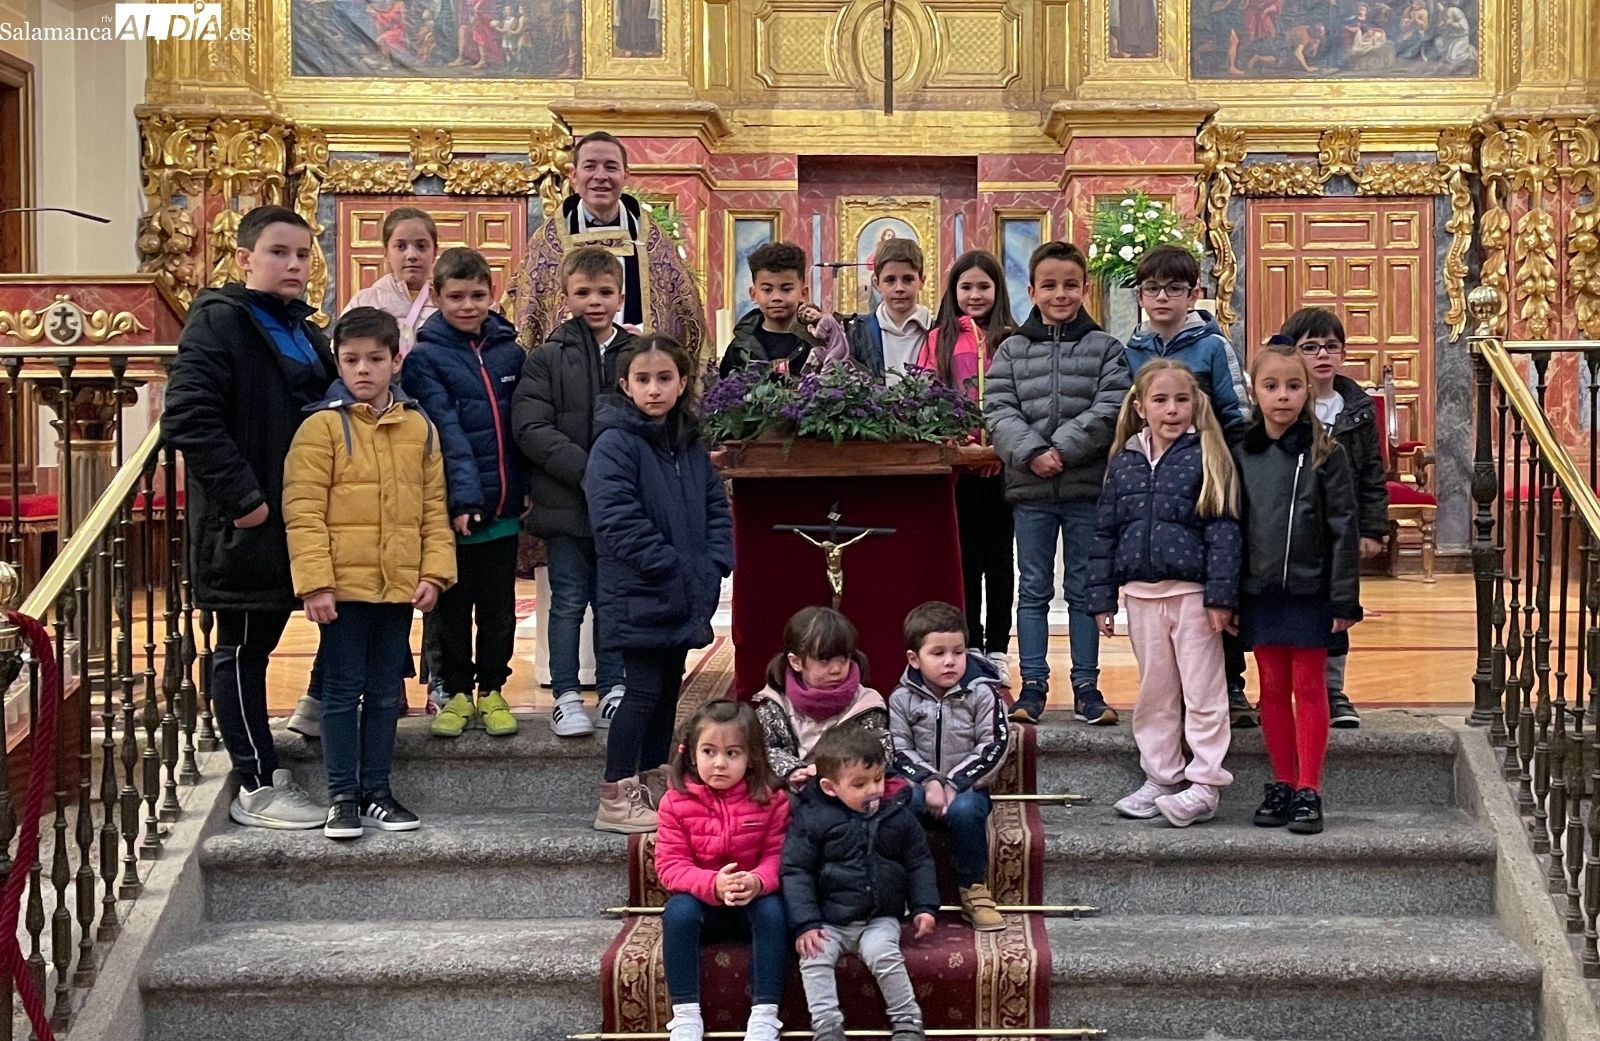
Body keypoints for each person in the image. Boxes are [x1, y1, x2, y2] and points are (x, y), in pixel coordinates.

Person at [165, 204, 335, 830]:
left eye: (302, 255)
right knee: (241, 650)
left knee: (319, 629)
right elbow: (189, 417)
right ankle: (258, 785)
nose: (294, 265)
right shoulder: (221, 321)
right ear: (244, 258)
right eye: (278, 253)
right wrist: (247, 502)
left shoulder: (306, 329)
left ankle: (307, 721)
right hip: (247, 523)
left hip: (304, 518)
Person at [281, 307, 457, 839]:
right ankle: (342, 798)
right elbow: (303, 510)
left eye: (376, 359)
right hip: (341, 589)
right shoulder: (320, 428)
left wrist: (434, 573)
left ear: (396, 361)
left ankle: (377, 792)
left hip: (397, 586)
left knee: (384, 693)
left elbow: (434, 508)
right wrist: (315, 583)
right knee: (340, 693)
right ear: (338, 362)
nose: (363, 369)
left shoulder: (418, 427)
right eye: (352, 359)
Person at [288, 205, 443, 740]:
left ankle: (424, 687)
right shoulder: (366, 304)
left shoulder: (446, 301)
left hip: (411, 433)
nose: (411, 255)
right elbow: (306, 510)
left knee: (402, 585)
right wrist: (315, 580)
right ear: (385, 251)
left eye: (421, 245)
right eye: (401, 245)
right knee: (348, 647)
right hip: (359, 443)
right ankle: (329, 702)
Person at [1087, 360, 1242, 828]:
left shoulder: (1206, 455)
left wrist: (1221, 597)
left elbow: (1223, 531)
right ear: (1140, 407)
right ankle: (1161, 777)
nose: (1172, 409)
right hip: (1140, 596)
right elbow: (1105, 533)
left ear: (1195, 404)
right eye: (1160, 400)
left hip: (1193, 596)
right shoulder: (1124, 461)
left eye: (1181, 400)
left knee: (1203, 691)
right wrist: (1102, 598)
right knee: (1155, 693)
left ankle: (1206, 784)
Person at [588, 336, 733, 833]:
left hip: (684, 587)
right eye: (643, 379)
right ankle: (615, 794)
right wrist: (670, 564)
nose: (654, 389)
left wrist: (714, 561)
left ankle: (652, 782)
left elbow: (715, 506)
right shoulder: (615, 443)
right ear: (625, 385)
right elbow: (615, 517)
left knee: (669, 690)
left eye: (665, 378)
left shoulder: (687, 443)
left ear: (683, 382)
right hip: (640, 588)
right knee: (642, 690)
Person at [985, 241, 1131, 726]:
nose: (1060, 294)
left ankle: (1087, 687)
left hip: (1086, 488)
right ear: (1031, 291)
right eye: (1049, 285)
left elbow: (1112, 406)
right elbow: (998, 409)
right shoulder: (1012, 349)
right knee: (1033, 589)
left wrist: (1061, 451)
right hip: (1031, 492)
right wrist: (1032, 452)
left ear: (1085, 287)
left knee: (1085, 588)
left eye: (1070, 284)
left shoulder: (1106, 348)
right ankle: (1032, 686)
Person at [1120, 243, 1254, 729]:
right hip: (1153, 480)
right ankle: (1170, 697)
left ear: (1194, 293)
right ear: (1139, 295)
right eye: (1152, 288)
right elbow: (1125, 414)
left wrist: (1227, 472)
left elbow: (1238, 413)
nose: (1162, 298)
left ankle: (1231, 684)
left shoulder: (1213, 346)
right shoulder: (1131, 350)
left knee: (1215, 582)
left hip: (1207, 479)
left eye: (1174, 288)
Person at [1234, 344, 1362, 836]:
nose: (1282, 396)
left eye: (1293, 386)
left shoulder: (1328, 453)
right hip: (1260, 590)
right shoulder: (1242, 452)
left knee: (1309, 686)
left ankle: (1310, 787)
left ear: (1308, 390)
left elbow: (1343, 528)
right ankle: (1283, 782)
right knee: (1270, 688)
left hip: (1312, 592)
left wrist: (1344, 597)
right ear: (1254, 391)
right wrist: (1230, 595)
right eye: (1271, 386)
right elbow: (1232, 525)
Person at [403, 247, 528, 740]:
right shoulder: (425, 358)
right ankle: (454, 692)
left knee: (498, 611)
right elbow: (445, 432)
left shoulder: (510, 353)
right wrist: (464, 501)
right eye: (455, 297)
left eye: (477, 295)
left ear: (492, 293)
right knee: (452, 611)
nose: (468, 305)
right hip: (454, 511)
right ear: (436, 296)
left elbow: (520, 430)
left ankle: (493, 689)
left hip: (504, 508)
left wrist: (523, 489)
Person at [512, 246, 636, 739]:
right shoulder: (545, 358)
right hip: (566, 503)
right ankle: (565, 695)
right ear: (565, 298)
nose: (594, 302)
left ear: (621, 297)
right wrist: (589, 471)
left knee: (613, 600)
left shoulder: (638, 354)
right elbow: (530, 427)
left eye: (605, 292)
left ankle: (614, 690)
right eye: (583, 292)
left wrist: (620, 477)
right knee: (566, 601)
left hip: (621, 507)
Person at [782, 725, 939, 1041]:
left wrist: (924, 906)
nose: (873, 790)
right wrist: (806, 923)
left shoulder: (896, 814)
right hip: (828, 920)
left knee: (883, 954)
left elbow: (919, 861)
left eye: (878, 779)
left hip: (878, 917)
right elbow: (796, 871)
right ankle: (827, 1027)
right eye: (859, 784)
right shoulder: (812, 818)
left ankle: (908, 1022)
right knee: (814, 958)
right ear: (829, 787)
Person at [654, 700, 790, 1041]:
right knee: (677, 913)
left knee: (774, 912)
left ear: (751, 757)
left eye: (732, 753)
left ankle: (765, 1014)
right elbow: (670, 865)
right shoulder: (674, 802)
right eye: (709, 752)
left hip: (752, 900)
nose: (719, 763)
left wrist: (757, 881)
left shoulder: (772, 799)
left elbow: (779, 856)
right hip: (704, 903)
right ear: (691, 754)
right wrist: (713, 883)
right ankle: (686, 1015)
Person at [1281, 308, 1389, 730]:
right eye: (1310, 347)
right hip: (1290, 529)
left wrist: (1373, 528)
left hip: (1338, 531)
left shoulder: (1356, 409)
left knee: (1337, 610)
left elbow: (1373, 473)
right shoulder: (1283, 402)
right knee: (1286, 610)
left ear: (1343, 353)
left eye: (1331, 346)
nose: (1323, 355)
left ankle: (1332, 689)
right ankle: (1283, 688)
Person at [512, 131, 707, 358]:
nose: (600, 176)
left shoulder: (653, 243)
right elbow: (529, 320)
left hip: (637, 366)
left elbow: (684, 321)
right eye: (590, 166)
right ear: (573, 174)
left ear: (625, 175)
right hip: (569, 367)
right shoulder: (548, 244)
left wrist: (647, 339)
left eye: (611, 167)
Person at [917, 250, 1017, 673]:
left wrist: (998, 449)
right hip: (958, 469)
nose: (975, 295)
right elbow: (925, 396)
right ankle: (970, 644)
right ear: (953, 291)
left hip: (1001, 467)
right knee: (966, 561)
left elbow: (1024, 399)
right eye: (966, 287)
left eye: (983, 286)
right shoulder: (938, 339)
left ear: (998, 290)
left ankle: (999, 647)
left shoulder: (1012, 338)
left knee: (1000, 562)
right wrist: (956, 443)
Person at [889, 600, 1011, 932]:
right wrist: (929, 780)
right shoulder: (901, 698)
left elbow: (994, 745)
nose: (949, 661)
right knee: (898, 804)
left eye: (958, 652)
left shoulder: (983, 693)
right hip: (920, 785)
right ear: (914, 658)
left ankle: (973, 887)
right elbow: (898, 748)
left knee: (966, 812)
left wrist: (955, 783)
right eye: (938, 653)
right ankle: (902, 885)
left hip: (969, 786)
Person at [753, 606, 890, 792]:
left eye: (844, 659)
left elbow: (880, 752)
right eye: (825, 661)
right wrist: (792, 769)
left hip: (846, 791)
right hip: (791, 788)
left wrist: (829, 770)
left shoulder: (866, 704)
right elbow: (762, 748)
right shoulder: (775, 704)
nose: (836, 669)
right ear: (796, 662)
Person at [719, 241, 819, 376]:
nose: (776, 297)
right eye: (767, 290)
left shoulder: (817, 343)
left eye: (786, 289)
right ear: (753, 294)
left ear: (803, 293)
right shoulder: (740, 347)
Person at [845, 236, 932, 382]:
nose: (899, 288)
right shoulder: (858, 333)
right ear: (877, 283)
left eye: (908, 279)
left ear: (921, 282)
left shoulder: (938, 332)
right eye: (890, 280)